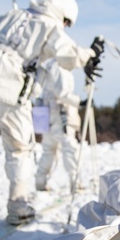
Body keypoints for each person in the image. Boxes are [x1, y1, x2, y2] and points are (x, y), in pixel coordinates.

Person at [0, 0, 102, 227]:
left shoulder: (14, 14)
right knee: (19, 148)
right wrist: (91, 54)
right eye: (67, 22)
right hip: (9, 81)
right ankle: (18, 206)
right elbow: (69, 56)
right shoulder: (49, 25)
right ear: (61, 13)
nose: (65, 26)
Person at [33, 58, 82, 192]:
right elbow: (62, 93)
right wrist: (79, 101)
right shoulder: (60, 68)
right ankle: (75, 182)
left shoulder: (47, 66)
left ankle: (40, 182)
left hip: (46, 116)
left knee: (48, 150)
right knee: (69, 148)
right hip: (61, 117)